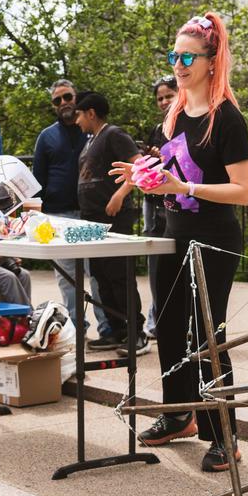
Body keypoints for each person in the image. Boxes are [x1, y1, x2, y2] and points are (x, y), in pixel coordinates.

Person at [113, 13, 248, 473]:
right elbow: (166, 179)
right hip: (172, 234)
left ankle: (223, 435)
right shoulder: (171, 118)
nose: (179, 63)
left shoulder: (227, 118)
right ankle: (178, 415)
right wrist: (143, 179)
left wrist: (184, 189)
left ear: (213, 62)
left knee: (208, 333)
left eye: (188, 56)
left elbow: (243, 192)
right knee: (169, 327)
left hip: (213, 236)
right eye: (174, 55)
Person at [31, 79, 110, 335]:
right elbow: (37, 179)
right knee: (67, 280)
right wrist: (37, 217)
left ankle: (108, 327)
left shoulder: (92, 129)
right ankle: (77, 330)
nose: (64, 103)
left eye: (67, 97)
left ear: (76, 98)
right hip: (57, 216)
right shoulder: (46, 136)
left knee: (97, 275)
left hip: (89, 214)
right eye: (57, 100)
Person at [75, 91, 147, 356]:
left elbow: (140, 166)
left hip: (113, 217)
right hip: (91, 220)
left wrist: (119, 194)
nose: (77, 120)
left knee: (119, 276)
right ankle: (115, 330)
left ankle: (136, 333)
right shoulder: (90, 140)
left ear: (91, 113)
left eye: (80, 114)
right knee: (101, 277)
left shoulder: (114, 135)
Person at [143, 75, 178, 337]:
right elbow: (147, 166)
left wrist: (165, 159)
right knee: (156, 263)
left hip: (181, 202)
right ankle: (157, 317)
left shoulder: (190, 125)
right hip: (156, 204)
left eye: (169, 95)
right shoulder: (157, 129)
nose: (164, 101)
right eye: (160, 98)